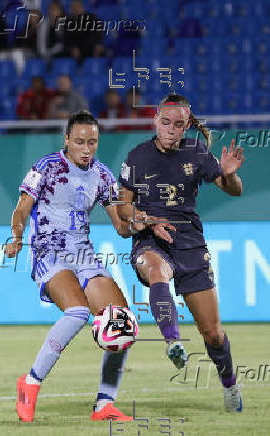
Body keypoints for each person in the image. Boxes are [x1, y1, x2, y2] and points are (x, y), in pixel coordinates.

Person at [5, 110, 139, 422]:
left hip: (84, 254)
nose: (86, 148)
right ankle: (31, 382)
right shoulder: (47, 167)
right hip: (48, 250)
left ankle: (104, 404)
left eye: (92, 142)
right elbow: (22, 208)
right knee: (77, 312)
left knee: (122, 321)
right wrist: (16, 235)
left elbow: (121, 227)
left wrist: (141, 222)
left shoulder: (103, 175)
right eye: (79, 141)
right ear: (67, 140)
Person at [117, 93, 245, 412]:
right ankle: (173, 341)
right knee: (156, 270)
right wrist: (146, 221)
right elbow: (123, 208)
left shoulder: (197, 152)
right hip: (150, 237)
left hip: (189, 241)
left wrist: (228, 175)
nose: (171, 129)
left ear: (187, 125)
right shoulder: (136, 157)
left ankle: (229, 386)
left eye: (178, 124)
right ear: (155, 121)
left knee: (213, 334)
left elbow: (234, 190)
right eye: (165, 122)